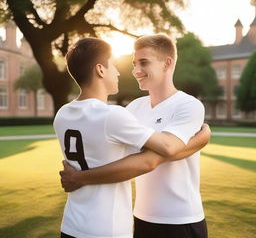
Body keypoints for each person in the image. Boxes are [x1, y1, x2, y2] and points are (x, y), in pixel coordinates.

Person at [60, 34, 209, 238]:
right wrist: (200, 140)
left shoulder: (189, 105)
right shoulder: (132, 108)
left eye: (144, 63)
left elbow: (150, 158)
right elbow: (138, 160)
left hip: (181, 221)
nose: (135, 71)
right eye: (134, 63)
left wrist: (79, 177)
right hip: (139, 219)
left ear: (167, 63)